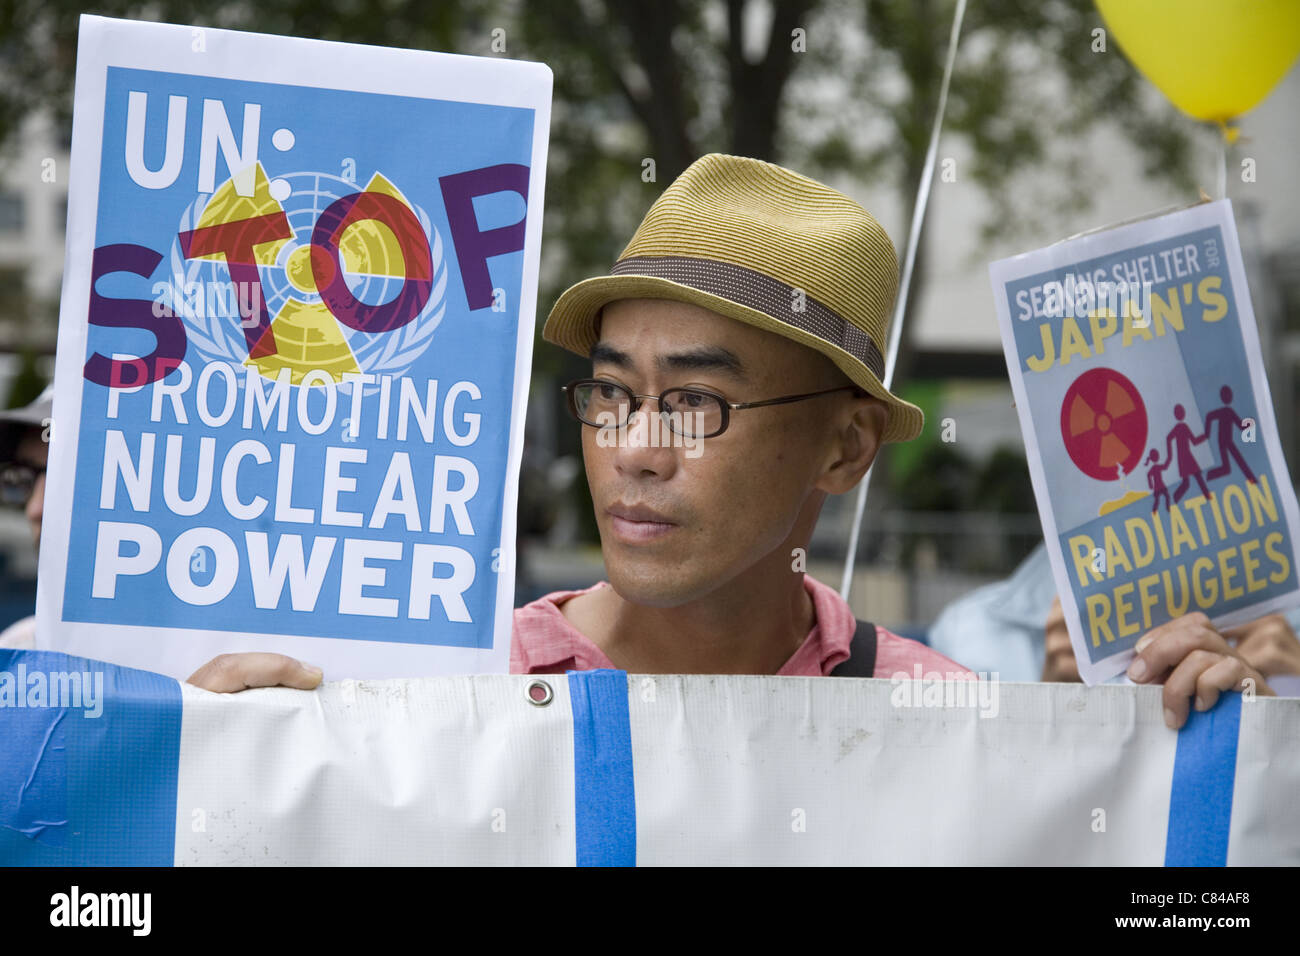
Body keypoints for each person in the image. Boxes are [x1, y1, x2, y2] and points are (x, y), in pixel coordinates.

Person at [182, 153, 1277, 727]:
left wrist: (1180, 759)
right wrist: (274, 768)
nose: (634, 448)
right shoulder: (443, 684)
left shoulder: (943, 716)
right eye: (610, 393)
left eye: (694, 403)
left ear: (845, 449)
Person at [0, 384, 52, 649]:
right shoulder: (15, 653)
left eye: (68, 473)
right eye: (26, 477)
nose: (35, 509)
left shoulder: (196, 669)